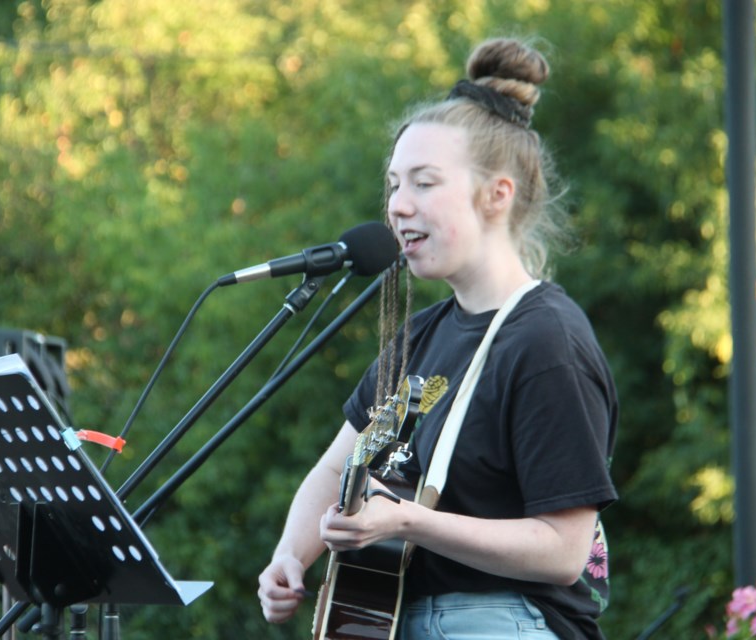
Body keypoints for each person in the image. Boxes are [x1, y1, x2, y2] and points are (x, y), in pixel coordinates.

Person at [257, 36, 618, 640]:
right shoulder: (417, 337)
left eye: (423, 183)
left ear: (497, 195)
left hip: (506, 619)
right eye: (394, 184)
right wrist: (290, 557)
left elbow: (563, 549)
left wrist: (410, 522)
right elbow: (331, 471)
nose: (397, 206)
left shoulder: (546, 342)